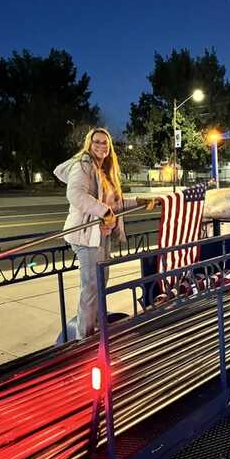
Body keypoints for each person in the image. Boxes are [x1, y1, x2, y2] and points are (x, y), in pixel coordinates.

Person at [53, 127, 160, 342]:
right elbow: (75, 194)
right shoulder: (83, 165)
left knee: (99, 286)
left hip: (102, 237)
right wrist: (104, 211)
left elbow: (115, 203)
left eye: (105, 142)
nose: (101, 146)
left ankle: (95, 333)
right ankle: (84, 340)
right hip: (86, 237)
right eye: (96, 142)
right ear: (89, 144)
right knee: (91, 288)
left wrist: (139, 201)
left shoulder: (104, 170)